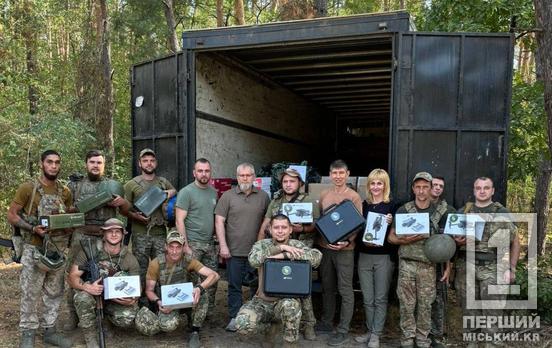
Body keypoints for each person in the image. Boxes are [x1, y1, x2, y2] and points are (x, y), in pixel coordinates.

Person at [7, 150, 73, 348]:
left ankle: (49, 330)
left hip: (58, 249)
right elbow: (12, 215)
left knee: (54, 292)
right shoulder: (28, 188)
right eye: (49, 162)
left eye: (57, 163)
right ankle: (27, 333)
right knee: (30, 292)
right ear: (42, 164)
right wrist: (32, 228)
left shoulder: (65, 192)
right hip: (34, 249)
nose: (53, 166)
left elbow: (68, 216)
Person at [65, 149, 130, 330]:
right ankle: (73, 316)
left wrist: (122, 203)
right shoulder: (74, 186)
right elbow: (64, 210)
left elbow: (126, 210)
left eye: (99, 162)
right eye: (92, 162)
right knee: (73, 274)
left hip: (105, 237)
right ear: (86, 164)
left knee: (108, 275)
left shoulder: (113, 185)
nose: (95, 165)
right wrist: (78, 207)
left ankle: (105, 317)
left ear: (104, 165)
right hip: (81, 235)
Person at [236, 214, 322, 346]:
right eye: (276, 227)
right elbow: (254, 260)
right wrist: (281, 247)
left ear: (290, 230)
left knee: (291, 307)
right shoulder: (262, 245)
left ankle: (289, 343)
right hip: (262, 302)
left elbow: (316, 257)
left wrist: (285, 255)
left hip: (285, 302)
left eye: (284, 227)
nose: (280, 231)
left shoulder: (297, 244)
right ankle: (270, 329)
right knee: (242, 324)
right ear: (270, 229)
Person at [453, 177, 520, 348]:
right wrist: (457, 241)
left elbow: (515, 242)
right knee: (469, 310)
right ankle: (472, 343)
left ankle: (493, 344)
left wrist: (512, 268)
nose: (482, 191)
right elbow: (451, 239)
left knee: (493, 311)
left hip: (494, 268)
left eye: (486, 188)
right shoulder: (464, 211)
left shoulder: (501, 212)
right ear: (474, 190)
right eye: (478, 188)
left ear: (492, 191)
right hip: (466, 266)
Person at [388, 172, 451, 348]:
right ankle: (407, 338)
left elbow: (445, 243)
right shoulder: (404, 210)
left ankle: (423, 339)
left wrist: (448, 267)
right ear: (413, 189)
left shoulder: (439, 212)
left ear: (431, 189)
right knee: (406, 304)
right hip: (407, 263)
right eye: (418, 187)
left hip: (428, 266)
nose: (421, 191)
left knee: (426, 305)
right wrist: (404, 240)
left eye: (425, 187)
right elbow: (391, 238)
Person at [256, 167, 320, 340]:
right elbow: (266, 223)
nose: (289, 184)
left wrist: (302, 228)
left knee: (302, 288)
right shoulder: (276, 201)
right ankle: (276, 322)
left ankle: (308, 324)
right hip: (279, 247)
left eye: (292, 181)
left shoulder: (308, 200)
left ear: (299, 183)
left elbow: (316, 225)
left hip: (300, 249)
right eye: (285, 181)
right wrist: (259, 244)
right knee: (277, 284)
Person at [135, 229, 219, 348]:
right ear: (166, 247)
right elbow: (149, 290)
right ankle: (164, 317)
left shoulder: (189, 260)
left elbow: (214, 275)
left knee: (203, 295)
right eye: (171, 247)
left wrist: (200, 288)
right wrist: (159, 302)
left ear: (183, 247)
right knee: (168, 326)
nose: (174, 251)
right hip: (168, 302)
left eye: (178, 247)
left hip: (186, 300)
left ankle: (194, 330)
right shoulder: (156, 263)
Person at [68, 218, 140, 347]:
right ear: (103, 234)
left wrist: (132, 299)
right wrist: (87, 287)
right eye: (109, 231)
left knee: (127, 316)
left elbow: (136, 287)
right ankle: (90, 336)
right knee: (82, 298)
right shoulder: (89, 251)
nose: (113, 234)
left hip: (113, 298)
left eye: (117, 231)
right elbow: (72, 277)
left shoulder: (129, 259)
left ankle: (106, 321)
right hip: (92, 294)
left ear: (123, 234)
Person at [215, 162, 270, 332]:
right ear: (237, 177)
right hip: (234, 251)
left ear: (254, 177)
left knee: (258, 286)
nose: (245, 178)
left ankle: (255, 317)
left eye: (248, 175)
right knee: (234, 285)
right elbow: (219, 221)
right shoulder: (227, 196)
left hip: (257, 252)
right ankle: (234, 317)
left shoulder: (263, 196)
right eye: (242, 175)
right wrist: (223, 246)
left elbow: (269, 223)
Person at [315, 159, 362, 346]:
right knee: (327, 287)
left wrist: (347, 241)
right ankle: (327, 322)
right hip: (325, 249)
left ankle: (343, 329)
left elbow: (358, 224)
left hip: (345, 250)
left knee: (345, 289)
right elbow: (321, 222)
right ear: (330, 175)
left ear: (347, 174)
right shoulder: (324, 194)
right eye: (334, 173)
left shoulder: (354, 196)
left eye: (341, 173)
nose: (338, 176)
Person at [354, 169, 397, 348]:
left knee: (380, 298)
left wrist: (391, 221)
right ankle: (369, 330)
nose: (376, 187)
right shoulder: (362, 205)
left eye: (380, 183)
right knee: (367, 298)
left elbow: (398, 233)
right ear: (368, 186)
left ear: (385, 185)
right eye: (373, 183)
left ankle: (376, 334)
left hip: (384, 257)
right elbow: (355, 231)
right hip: (364, 256)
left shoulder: (393, 206)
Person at [124, 148, 176, 295]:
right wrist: (136, 217)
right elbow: (125, 209)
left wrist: (166, 193)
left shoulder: (162, 182)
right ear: (140, 163)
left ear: (156, 163)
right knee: (139, 269)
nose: (149, 163)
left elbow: (174, 191)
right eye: (145, 161)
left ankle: (159, 300)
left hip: (159, 233)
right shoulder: (131, 184)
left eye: (152, 160)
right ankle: (140, 302)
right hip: (140, 234)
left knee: (160, 268)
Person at [175, 158, 218, 312]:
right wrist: (185, 246)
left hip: (210, 245)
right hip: (192, 244)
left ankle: (208, 313)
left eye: (206, 171)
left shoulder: (214, 192)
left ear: (210, 173)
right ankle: (191, 315)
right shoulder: (186, 192)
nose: (203, 174)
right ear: (194, 173)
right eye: (200, 171)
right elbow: (179, 220)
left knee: (212, 279)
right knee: (193, 281)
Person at [428, 176, 456, 348]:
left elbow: (451, 242)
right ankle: (421, 334)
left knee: (439, 301)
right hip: (420, 261)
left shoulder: (449, 211)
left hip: (440, 264)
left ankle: (437, 337)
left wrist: (448, 267)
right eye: (435, 185)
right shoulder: (417, 207)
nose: (437, 188)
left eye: (441, 186)